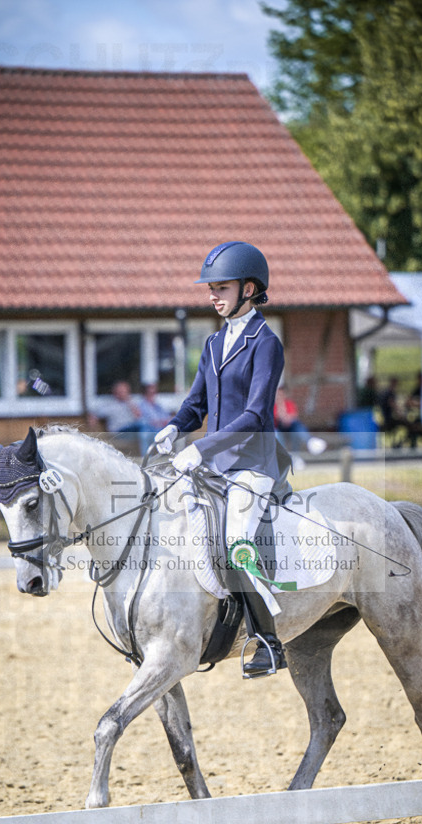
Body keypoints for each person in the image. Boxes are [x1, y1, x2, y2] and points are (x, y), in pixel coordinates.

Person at [154, 240, 287, 677]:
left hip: (253, 464)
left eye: (222, 287)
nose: (213, 295)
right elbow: (196, 405)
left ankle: (268, 643)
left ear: (249, 289)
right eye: (210, 288)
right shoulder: (212, 344)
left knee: (236, 544)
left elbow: (253, 414)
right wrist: (176, 427)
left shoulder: (265, 343)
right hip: (213, 465)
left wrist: (200, 448)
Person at [274, 385, 326, 459]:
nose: (279, 396)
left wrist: (287, 417)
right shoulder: (273, 405)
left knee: (297, 428)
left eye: (281, 394)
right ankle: (282, 457)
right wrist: (280, 406)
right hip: (278, 429)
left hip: (290, 428)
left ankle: (309, 443)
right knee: (275, 434)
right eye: (278, 394)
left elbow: (294, 416)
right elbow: (277, 418)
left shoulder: (289, 403)